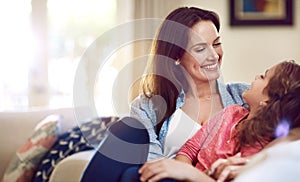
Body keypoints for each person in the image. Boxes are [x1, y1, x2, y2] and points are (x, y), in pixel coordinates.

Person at [81, 6, 249, 181]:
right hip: (164, 179)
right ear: (176, 56)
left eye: (216, 44)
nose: (214, 55)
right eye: (200, 49)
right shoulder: (148, 106)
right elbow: (154, 167)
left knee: (130, 176)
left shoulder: (244, 97)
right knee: (128, 129)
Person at [138, 60, 300, 182]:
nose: (256, 76)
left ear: (267, 100)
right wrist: (180, 170)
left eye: (263, 77)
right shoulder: (230, 113)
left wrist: (190, 174)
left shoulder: (264, 142)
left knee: (133, 175)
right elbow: (190, 149)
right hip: (184, 177)